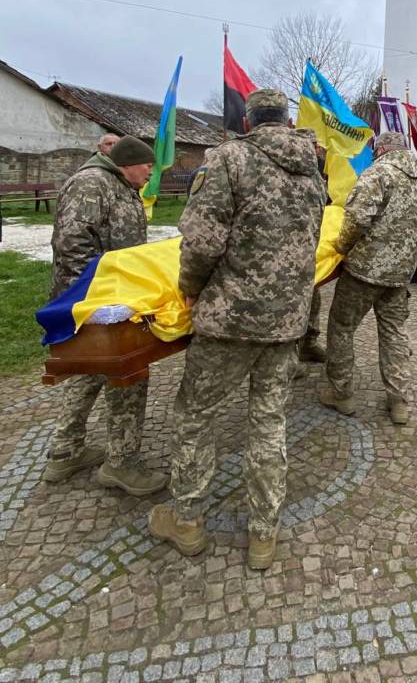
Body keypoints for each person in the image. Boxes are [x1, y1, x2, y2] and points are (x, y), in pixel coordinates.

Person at [148, 89, 326, 567]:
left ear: (248, 121)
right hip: (286, 321)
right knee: (268, 424)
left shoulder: (229, 158)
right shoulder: (311, 167)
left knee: (195, 415)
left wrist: (189, 287)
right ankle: (263, 535)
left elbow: (202, 239)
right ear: (286, 120)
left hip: (229, 319)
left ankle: (186, 521)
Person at [43, 135, 167, 496]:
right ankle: (122, 463)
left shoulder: (118, 184)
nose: (150, 172)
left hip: (108, 301)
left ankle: (65, 452)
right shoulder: (91, 184)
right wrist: (99, 297)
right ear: (127, 163)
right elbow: (71, 243)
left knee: (90, 370)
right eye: (147, 165)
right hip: (96, 303)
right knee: (126, 374)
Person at [320, 131, 417, 425]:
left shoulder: (377, 175)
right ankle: (398, 401)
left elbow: (355, 219)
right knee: (394, 333)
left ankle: (341, 393)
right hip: (400, 274)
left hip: (365, 271)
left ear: (380, 149)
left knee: (341, 326)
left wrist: (341, 247)